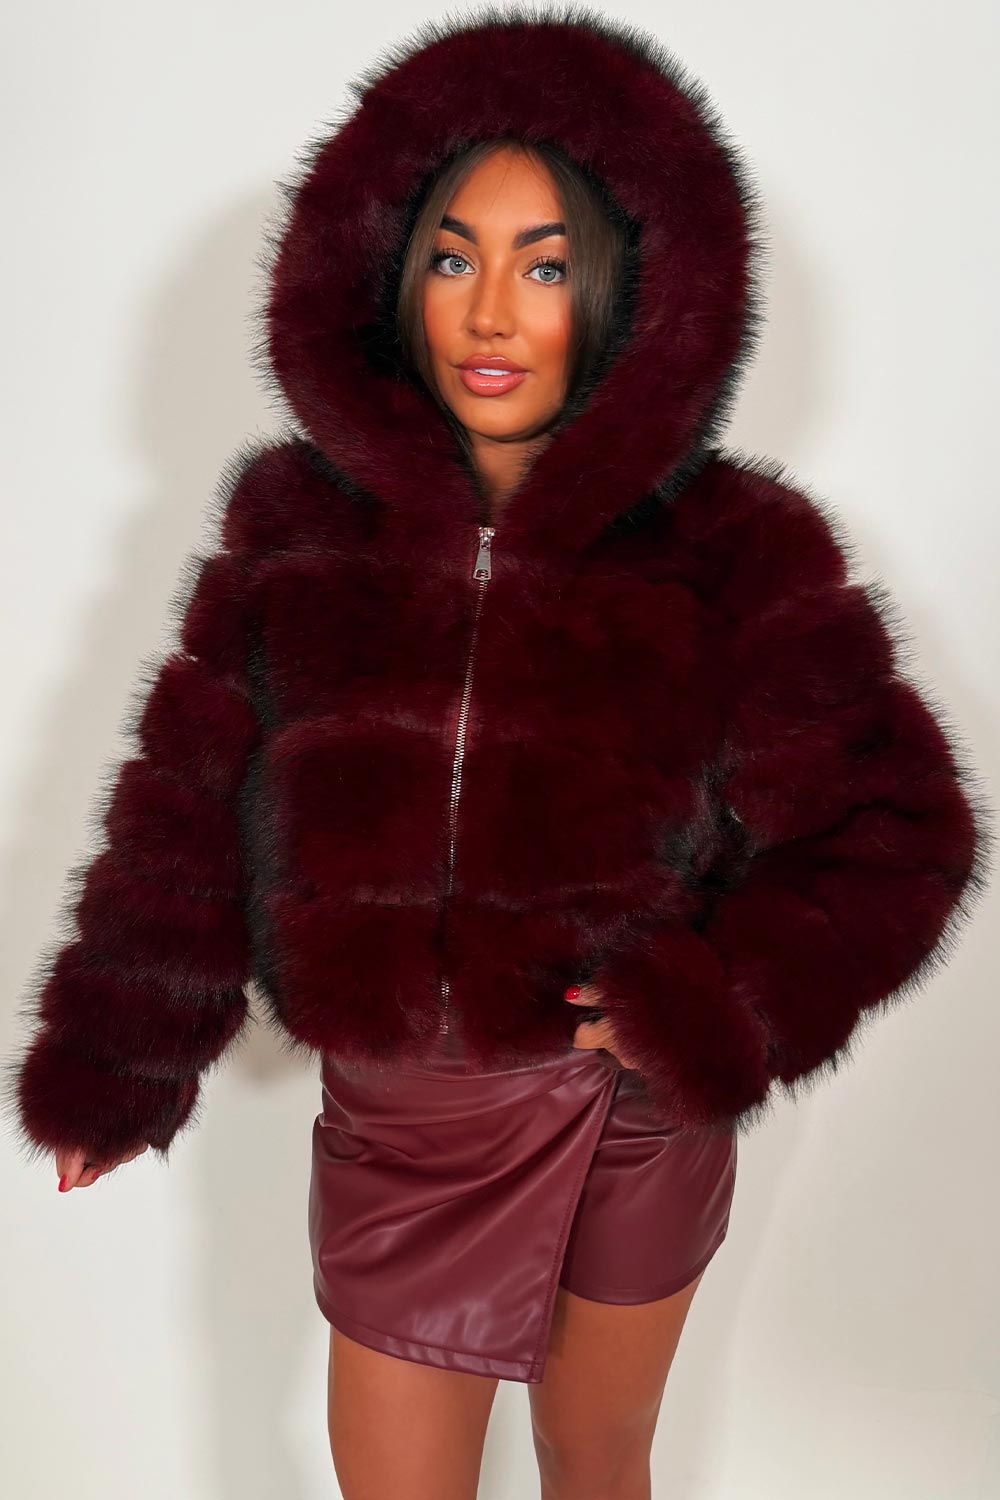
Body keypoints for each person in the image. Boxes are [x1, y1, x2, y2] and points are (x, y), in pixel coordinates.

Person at [5, 9, 990, 1497]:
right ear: (384, 272)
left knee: (598, 1464)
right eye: (453, 258)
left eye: (543, 266)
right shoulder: (295, 529)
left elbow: (900, 829)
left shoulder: (735, 548)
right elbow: (186, 812)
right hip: (410, 1114)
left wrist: (712, 1002)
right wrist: (115, 1066)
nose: (487, 315)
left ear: (631, 289)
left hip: (629, 1112)